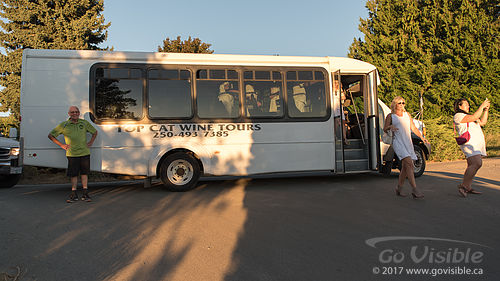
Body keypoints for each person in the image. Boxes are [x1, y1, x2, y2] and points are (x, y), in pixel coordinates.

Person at [48, 106, 98, 203]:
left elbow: (95, 132)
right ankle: (73, 194)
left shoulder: (84, 123)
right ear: (69, 114)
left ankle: (85, 193)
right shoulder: (64, 125)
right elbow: (51, 135)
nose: (75, 113)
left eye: (76, 112)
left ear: (79, 113)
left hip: (84, 152)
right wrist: (62, 145)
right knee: (74, 174)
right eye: (72, 112)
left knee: (84, 174)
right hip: (72, 154)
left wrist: (91, 142)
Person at [383, 96, 428, 199]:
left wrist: (422, 137)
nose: (402, 105)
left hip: (407, 142)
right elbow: (385, 128)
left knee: (405, 167)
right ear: (395, 104)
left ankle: (399, 188)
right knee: (409, 164)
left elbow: (413, 128)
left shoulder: (407, 115)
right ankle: (415, 189)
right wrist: (390, 127)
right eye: (400, 103)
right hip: (397, 142)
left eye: (403, 103)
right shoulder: (391, 116)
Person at [453, 98, 490, 197]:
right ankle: (463, 186)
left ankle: (467, 186)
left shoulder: (468, 116)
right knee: (477, 163)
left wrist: (486, 110)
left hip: (475, 144)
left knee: (472, 165)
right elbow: (475, 116)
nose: (468, 106)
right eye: (466, 104)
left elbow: (483, 122)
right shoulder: (458, 116)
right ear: (459, 106)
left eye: (468, 104)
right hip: (469, 144)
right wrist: (482, 106)